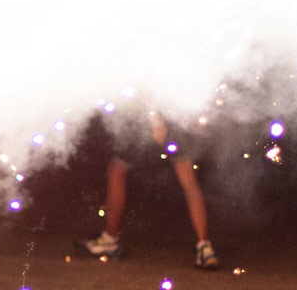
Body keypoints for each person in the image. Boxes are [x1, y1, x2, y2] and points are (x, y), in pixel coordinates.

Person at [82, 107, 220, 270]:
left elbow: (150, 92)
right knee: (189, 182)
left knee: (117, 170)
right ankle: (205, 247)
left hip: (153, 121)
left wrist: (155, 122)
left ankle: (109, 240)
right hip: (177, 118)